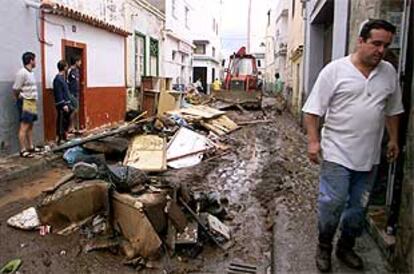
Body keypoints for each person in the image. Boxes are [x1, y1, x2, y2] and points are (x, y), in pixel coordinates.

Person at [302, 19, 403, 272]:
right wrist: (313, 142)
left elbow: (392, 110)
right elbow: (312, 111)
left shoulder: (388, 72)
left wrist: (393, 139)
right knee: (333, 204)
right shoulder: (335, 71)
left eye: (386, 45)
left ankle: (345, 247)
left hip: (369, 157)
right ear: (361, 41)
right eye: (376, 44)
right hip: (336, 152)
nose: (381, 50)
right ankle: (324, 246)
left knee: (358, 209)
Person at [13, 52, 40, 158]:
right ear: (31, 61)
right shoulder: (22, 73)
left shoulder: (31, 73)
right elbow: (15, 88)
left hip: (32, 101)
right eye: (34, 60)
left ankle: (31, 146)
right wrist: (19, 97)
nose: (35, 62)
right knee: (24, 126)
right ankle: (23, 150)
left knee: (31, 125)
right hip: (26, 102)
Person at [53, 60, 72, 145]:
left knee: (65, 121)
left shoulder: (62, 78)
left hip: (66, 103)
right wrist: (63, 104)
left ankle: (65, 136)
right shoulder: (58, 79)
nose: (67, 68)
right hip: (62, 105)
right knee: (61, 121)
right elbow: (58, 93)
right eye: (66, 66)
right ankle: (59, 138)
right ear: (64, 67)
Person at [67, 56, 81, 133]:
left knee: (76, 110)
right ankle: (70, 127)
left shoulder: (77, 71)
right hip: (71, 93)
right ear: (76, 62)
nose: (80, 63)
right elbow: (67, 81)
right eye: (79, 61)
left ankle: (75, 128)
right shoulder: (70, 70)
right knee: (73, 110)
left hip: (76, 93)